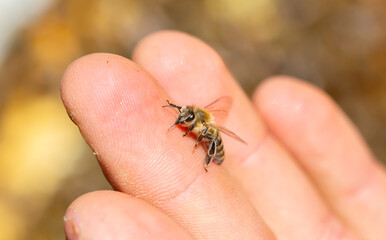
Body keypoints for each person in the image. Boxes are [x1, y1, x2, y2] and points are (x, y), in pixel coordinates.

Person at [61, 31, 386, 240]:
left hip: (214, 145)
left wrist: (203, 150)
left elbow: (206, 131)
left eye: (186, 117)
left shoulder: (203, 127)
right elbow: (185, 113)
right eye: (183, 116)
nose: (183, 119)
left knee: (211, 138)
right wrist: (175, 111)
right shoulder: (189, 114)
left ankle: (210, 160)